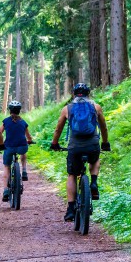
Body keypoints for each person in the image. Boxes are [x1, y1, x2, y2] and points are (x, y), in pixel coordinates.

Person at [50, 83, 111, 222]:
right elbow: (103, 127)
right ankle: (94, 182)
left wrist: (54, 143)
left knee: (72, 174)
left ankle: (70, 209)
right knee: (94, 160)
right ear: (88, 94)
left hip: (75, 146)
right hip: (92, 144)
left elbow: (58, 129)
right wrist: (105, 143)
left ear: (74, 94)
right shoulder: (96, 107)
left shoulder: (67, 109)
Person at [0, 101, 33, 202]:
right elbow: (28, 136)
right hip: (21, 146)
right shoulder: (23, 122)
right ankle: (23, 170)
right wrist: (30, 141)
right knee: (23, 151)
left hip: (9, 147)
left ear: (10, 110)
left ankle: (5, 190)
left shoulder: (5, 121)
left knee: (6, 166)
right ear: (19, 111)